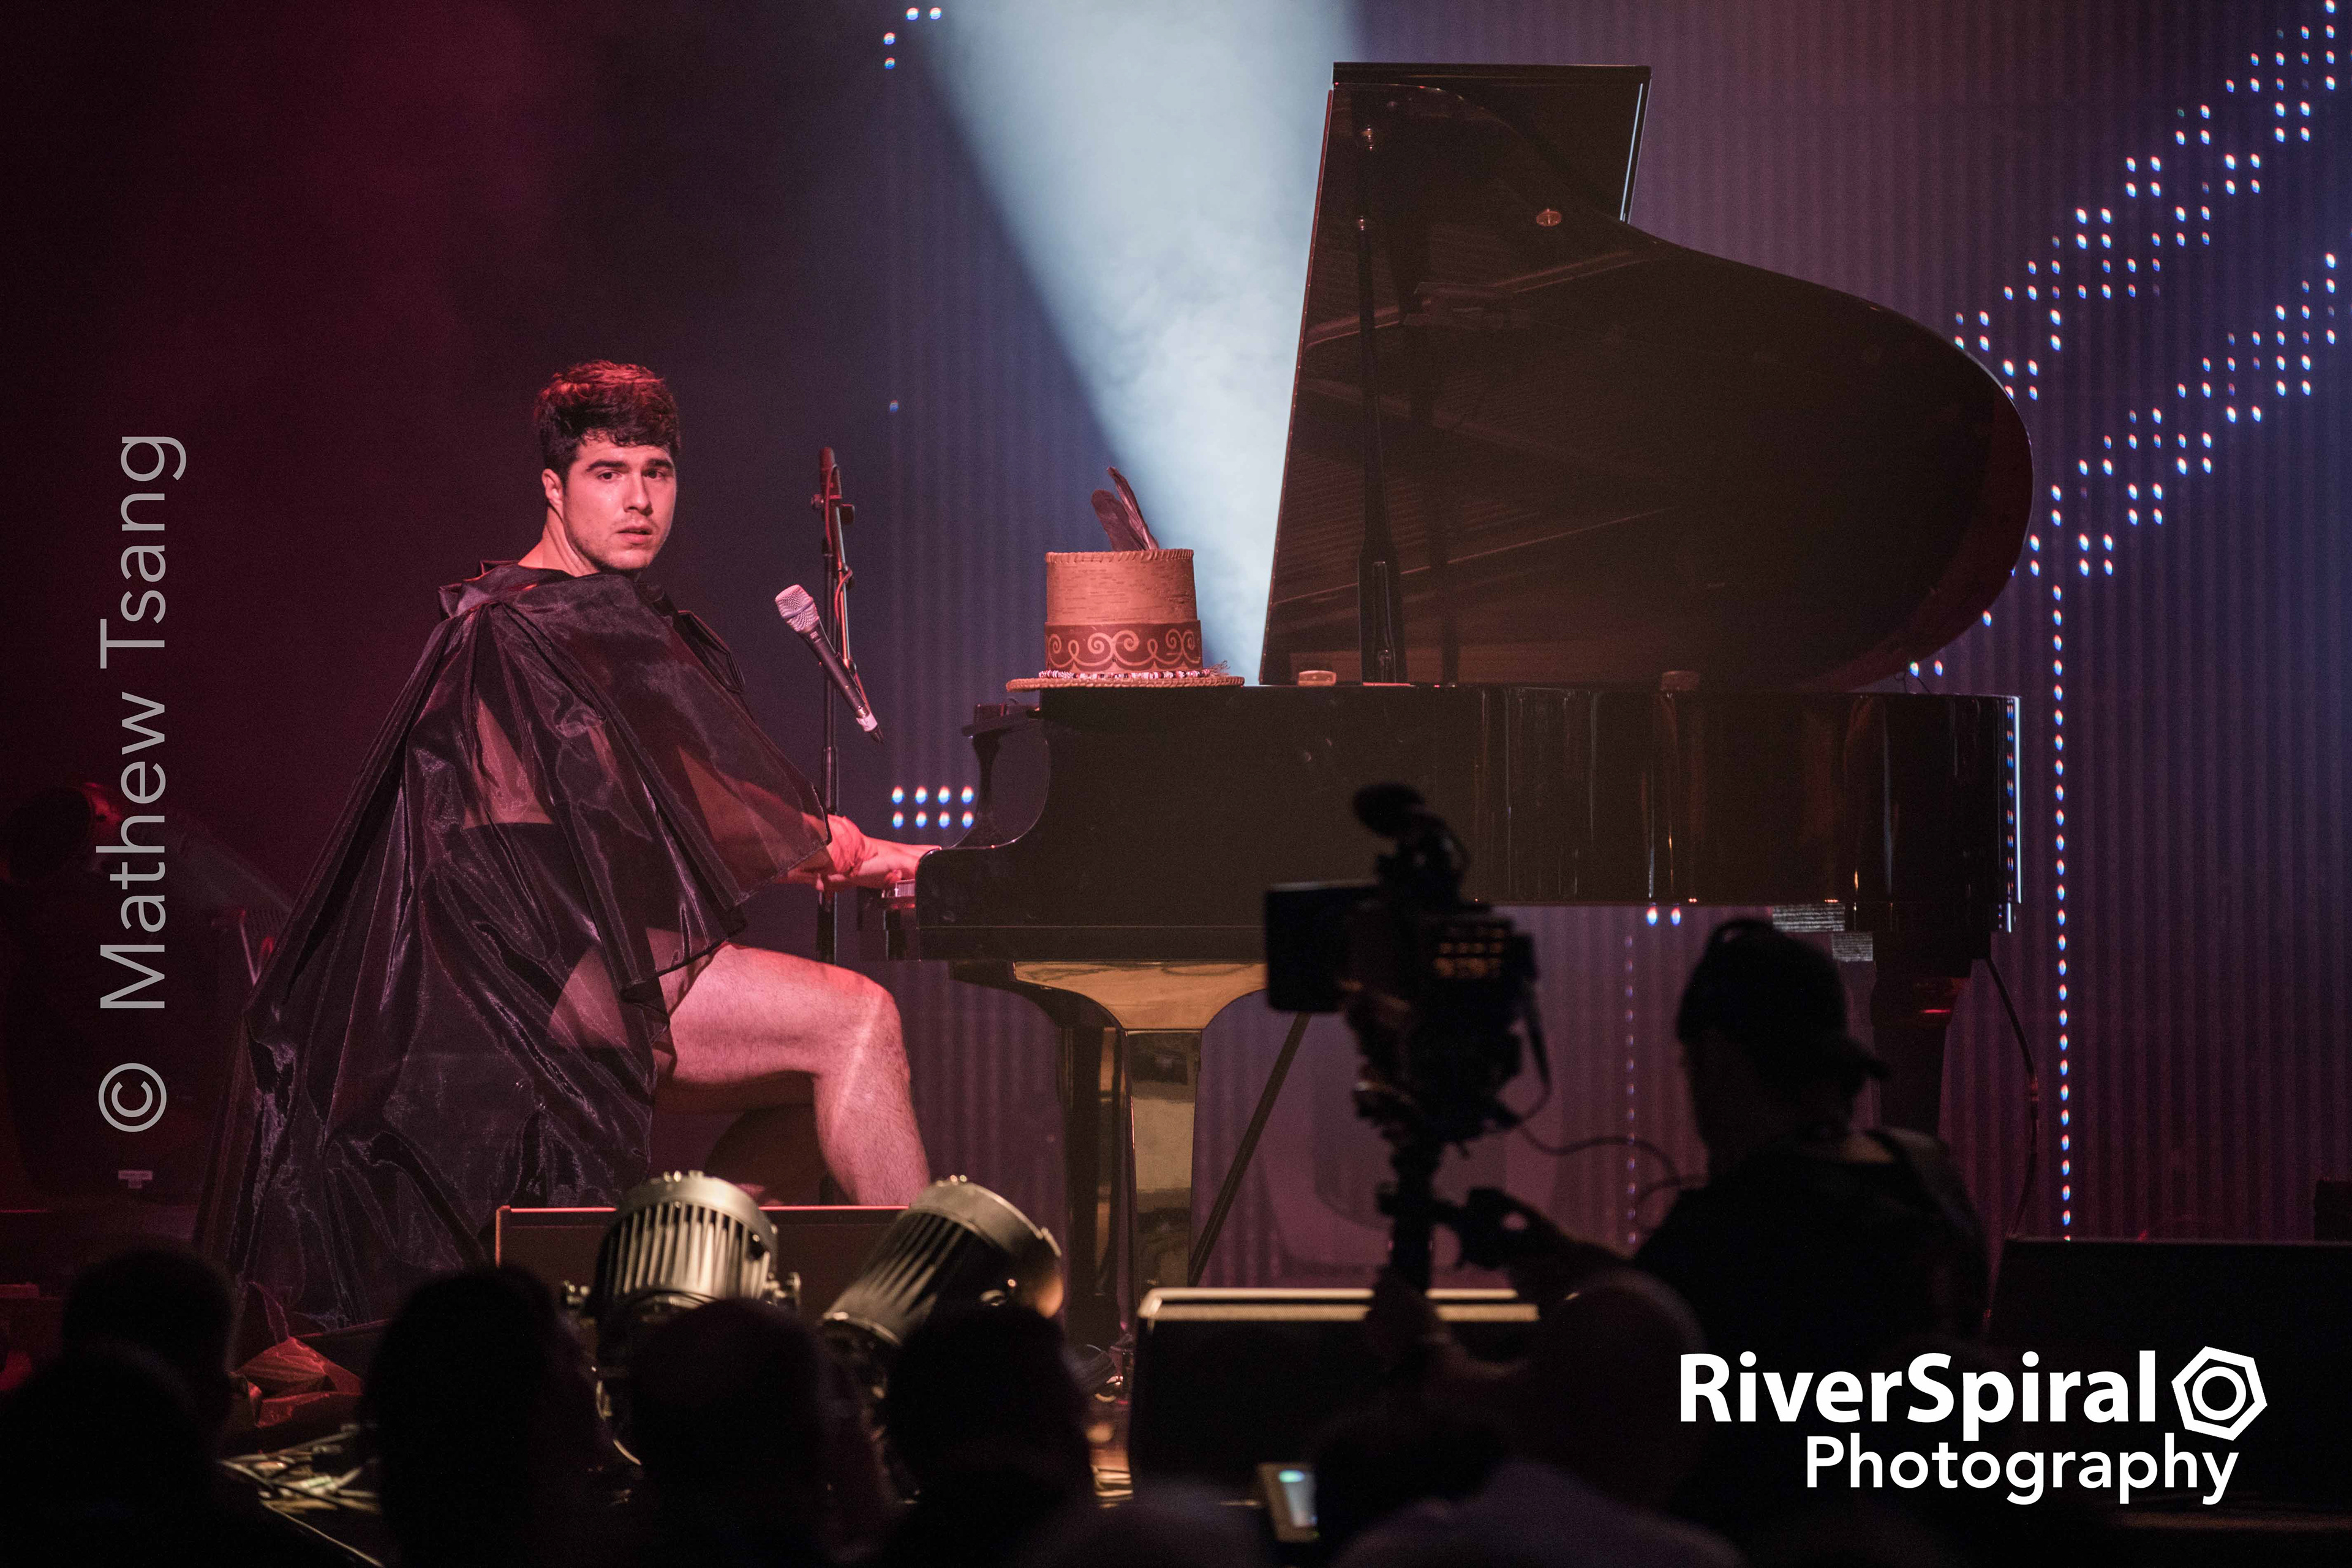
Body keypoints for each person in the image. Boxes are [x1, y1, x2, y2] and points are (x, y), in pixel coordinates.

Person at [202, 361, 933, 1330]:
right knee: (857, 1022)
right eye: (607, 471)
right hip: (538, 986)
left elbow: (687, 805)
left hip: (577, 968)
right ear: (554, 487)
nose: (638, 499)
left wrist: (842, 847)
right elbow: (677, 816)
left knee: (815, 1091)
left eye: (658, 471)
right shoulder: (527, 625)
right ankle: (945, 1330)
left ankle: (680, 1300)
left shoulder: (565, 618)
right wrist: (864, 855)